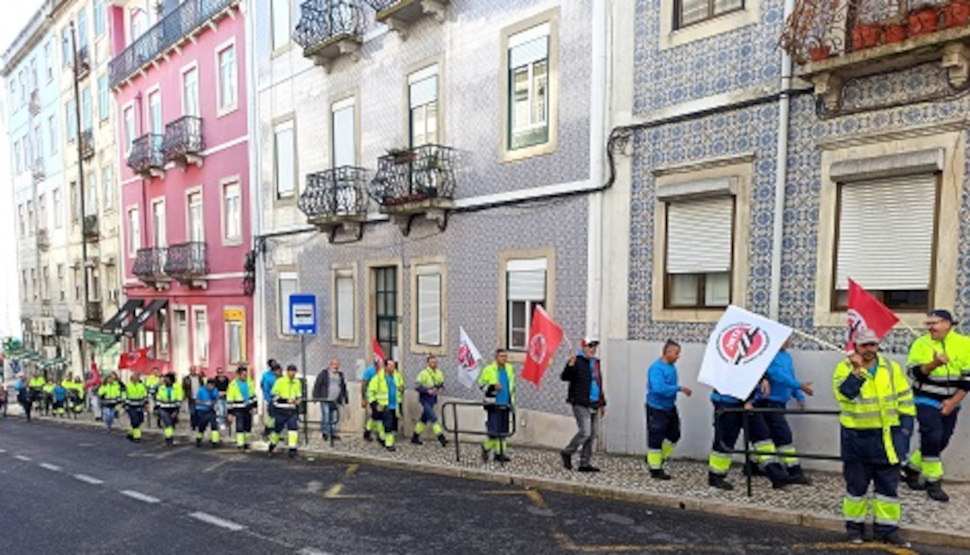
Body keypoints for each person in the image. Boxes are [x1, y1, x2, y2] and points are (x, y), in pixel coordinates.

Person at [834, 329, 912, 547]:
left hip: (889, 438)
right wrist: (857, 371)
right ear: (856, 347)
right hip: (857, 439)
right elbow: (845, 394)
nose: (869, 350)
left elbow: (905, 399)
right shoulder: (843, 368)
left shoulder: (891, 368)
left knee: (888, 489)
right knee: (856, 489)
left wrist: (906, 431)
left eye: (873, 345)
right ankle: (854, 529)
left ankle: (887, 531)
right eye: (864, 345)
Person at [903, 309, 970, 502]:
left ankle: (911, 468)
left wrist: (952, 402)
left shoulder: (964, 343)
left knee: (941, 440)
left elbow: (968, 378)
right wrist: (933, 364)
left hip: (952, 399)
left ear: (948, 323)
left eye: (935, 323)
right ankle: (933, 481)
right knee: (931, 434)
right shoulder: (920, 343)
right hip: (925, 398)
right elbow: (913, 373)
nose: (930, 327)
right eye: (928, 324)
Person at [708, 375, 789, 491]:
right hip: (728, 403)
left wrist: (763, 378)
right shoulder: (727, 358)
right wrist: (747, 399)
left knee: (762, 438)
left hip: (745, 403)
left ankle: (777, 475)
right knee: (725, 441)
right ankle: (716, 476)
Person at [755, 338, 815, 485]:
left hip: (780, 402)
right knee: (782, 435)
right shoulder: (769, 356)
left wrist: (798, 395)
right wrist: (799, 386)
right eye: (786, 339)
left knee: (769, 435)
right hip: (769, 402)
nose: (789, 342)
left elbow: (790, 377)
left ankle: (753, 466)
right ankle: (794, 471)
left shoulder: (787, 356)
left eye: (790, 338)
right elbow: (778, 376)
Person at [645, 340, 691, 480]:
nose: (679, 356)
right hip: (656, 408)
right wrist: (679, 388)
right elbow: (658, 389)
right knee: (656, 438)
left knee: (674, 434)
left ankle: (658, 458)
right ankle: (655, 469)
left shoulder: (671, 367)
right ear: (668, 352)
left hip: (669, 407)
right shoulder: (656, 368)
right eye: (676, 353)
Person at [560, 338, 606, 472]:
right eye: (590, 346)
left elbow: (598, 383)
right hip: (580, 402)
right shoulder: (577, 361)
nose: (593, 349)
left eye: (594, 347)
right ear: (584, 347)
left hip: (595, 402)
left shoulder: (595, 362)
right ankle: (567, 452)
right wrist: (570, 364)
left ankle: (584, 463)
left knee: (591, 436)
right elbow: (565, 377)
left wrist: (603, 403)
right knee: (585, 432)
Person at [479, 349, 515, 463]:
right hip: (493, 404)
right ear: (496, 357)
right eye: (501, 356)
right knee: (494, 430)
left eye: (505, 356)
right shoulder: (488, 369)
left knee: (503, 431)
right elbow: (481, 385)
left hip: (506, 403)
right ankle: (486, 447)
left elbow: (512, 386)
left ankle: (499, 453)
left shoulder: (509, 369)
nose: (504, 358)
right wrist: (493, 387)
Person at [367, 359, 405, 451]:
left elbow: (401, 386)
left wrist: (401, 389)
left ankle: (381, 438)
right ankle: (389, 443)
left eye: (394, 366)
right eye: (390, 366)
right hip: (383, 404)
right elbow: (370, 391)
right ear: (385, 366)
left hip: (394, 404)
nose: (393, 368)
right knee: (388, 424)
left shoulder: (397, 376)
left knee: (385, 423)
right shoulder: (378, 378)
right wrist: (374, 403)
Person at [269, 364, 303, 458]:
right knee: (277, 430)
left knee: (293, 430)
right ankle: (272, 445)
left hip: (292, 411)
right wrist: (286, 400)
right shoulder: (280, 382)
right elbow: (274, 396)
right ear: (287, 372)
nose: (293, 374)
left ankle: (293, 451)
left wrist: (298, 400)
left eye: (294, 372)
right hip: (281, 410)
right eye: (291, 372)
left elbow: (299, 395)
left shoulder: (297, 382)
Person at [413, 356, 448, 447]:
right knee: (433, 418)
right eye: (432, 362)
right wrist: (426, 390)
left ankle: (415, 437)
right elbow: (417, 386)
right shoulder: (423, 373)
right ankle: (441, 438)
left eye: (435, 362)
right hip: (424, 399)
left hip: (433, 399)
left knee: (423, 419)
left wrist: (441, 389)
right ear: (428, 363)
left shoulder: (439, 373)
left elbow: (441, 384)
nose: (434, 364)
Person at [312, 358, 348, 441]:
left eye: (337, 364)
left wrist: (345, 398)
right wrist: (315, 397)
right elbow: (317, 385)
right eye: (334, 364)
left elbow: (343, 387)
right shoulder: (324, 374)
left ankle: (332, 433)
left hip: (335, 400)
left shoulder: (340, 375)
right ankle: (325, 432)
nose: (336, 366)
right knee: (326, 416)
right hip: (325, 399)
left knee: (334, 418)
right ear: (330, 364)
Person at [227, 365, 257, 451]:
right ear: (239, 375)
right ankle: (240, 444)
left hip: (248, 408)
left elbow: (253, 395)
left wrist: (255, 406)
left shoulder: (249, 382)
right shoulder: (233, 385)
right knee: (240, 426)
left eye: (246, 375)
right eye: (243, 375)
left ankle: (246, 442)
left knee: (247, 426)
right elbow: (230, 399)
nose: (245, 376)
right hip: (238, 408)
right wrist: (230, 413)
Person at [155, 373, 184, 446]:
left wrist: (176, 411)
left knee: (172, 424)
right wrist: (157, 408)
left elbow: (179, 400)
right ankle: (169, 440)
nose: (165, 380)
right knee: (168, 423)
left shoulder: (177, 388)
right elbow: (158, 398)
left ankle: (169, 436)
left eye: (167, 379)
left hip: (173, 409)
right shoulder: (161, 388)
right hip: (163, 409)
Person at [194, 379, 221, 447]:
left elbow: (216, 399)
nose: (211, 388)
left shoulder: (215, 390)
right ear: (207, 385)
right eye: (210, 386)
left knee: (214, 425)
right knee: (202, 426)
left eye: (213, 386)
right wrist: (204, 403)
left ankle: (215, 441)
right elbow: (196, 401)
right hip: (202, 410)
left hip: (211, 410)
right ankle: (199, 439)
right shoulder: (201, 390)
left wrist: (214, 403)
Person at [123, 373, 149, 442]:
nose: (137, 378)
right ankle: (137, 437)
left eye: (138, 377)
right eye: (135, 377)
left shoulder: (141, 386)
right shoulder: (127, 386)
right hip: (131, 406)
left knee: (140, 420)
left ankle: (131, 432)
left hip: (140, 406)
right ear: (131, 378)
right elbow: (124, 396)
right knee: (135, 421)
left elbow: (145, 395)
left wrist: (146, 404)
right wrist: (125, 406)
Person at [261, 360, 281, 438]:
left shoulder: (279, 376)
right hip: (272, 399)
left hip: (279, 399)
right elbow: (265, 388)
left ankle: (274, 433)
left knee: (276, 418)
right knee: (272, 417)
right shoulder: (267, 376)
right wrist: (268, 399)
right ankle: (267, 431)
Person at [360, 362, 379, 441]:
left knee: (375, 416)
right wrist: (363, 399)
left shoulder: (383, 370)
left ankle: (367, 431)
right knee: (377, 415)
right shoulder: (369, 370)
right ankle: (379, 434)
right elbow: (364, 385)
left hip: (382, 398)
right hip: (372, 398)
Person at [182, 366, 204, 432]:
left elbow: (202, 386)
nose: (193, 371)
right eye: (192, 370)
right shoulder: (186, 378)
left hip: (199, 397)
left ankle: (198, 424)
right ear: (190, 371)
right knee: (192, 412)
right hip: (191, 397)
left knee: (198, 411)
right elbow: (184, 388)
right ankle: (193, 425)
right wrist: (185, 396)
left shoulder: (199, 378)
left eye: (194, 370)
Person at [214, 367, 230, 431]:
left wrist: (225, 392)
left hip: (226, 397)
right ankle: (221, 423)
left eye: (221, 372)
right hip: (218, 398)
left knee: (225, 410)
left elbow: (229, 388)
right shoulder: (215, 380)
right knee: (221, 410)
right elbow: (214, 389)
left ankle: (226, 422)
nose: (220, 374)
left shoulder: (226, 379)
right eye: (219, 372)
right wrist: (218, 393)